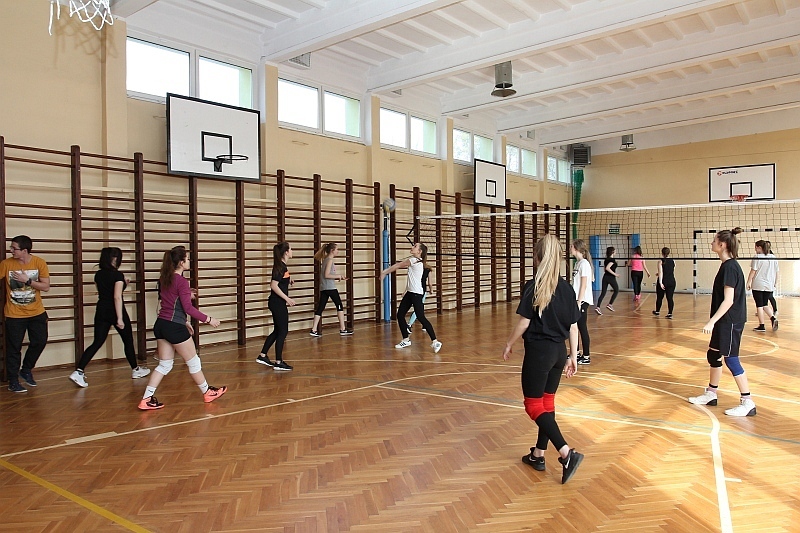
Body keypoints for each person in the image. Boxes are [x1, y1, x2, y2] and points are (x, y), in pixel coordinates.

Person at [502, 234, 584, 484]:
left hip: (539, 353)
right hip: (559, 352)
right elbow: (573, 326)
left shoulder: (534, 285)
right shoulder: (567, 288)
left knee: (533, 405)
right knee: (547, 404)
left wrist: (509, 343)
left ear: (537, 258)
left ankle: (566, 453)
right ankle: (538, 454)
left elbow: (524, 322)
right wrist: (572, 356)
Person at [138, 246, 225, 410]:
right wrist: (209, 319)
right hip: (173, 327)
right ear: (181, 262)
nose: (189, 261)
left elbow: (170, 302)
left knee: (164, 365)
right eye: (187, 258)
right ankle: (208, 392)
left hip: (161, 324)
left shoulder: (164, 278)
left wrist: (184, 320)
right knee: (194, 362)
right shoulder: (182, 282)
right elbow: (188, 308)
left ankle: (146, 399)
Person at [688, 227, 756, 417]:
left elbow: (729, 300)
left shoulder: (730, 268)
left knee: (731, 359)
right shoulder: (726, 265)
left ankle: (748, 402)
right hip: (725, 321)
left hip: (731, 321)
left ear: (722, 244)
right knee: (713, 355)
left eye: (714, 240)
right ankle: (711, 394)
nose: (711, 243)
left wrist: (711, 322)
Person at [70, 247, 150, 387]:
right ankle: (135, 369)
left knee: (97, 342)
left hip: (101, 310)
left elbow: (106, 291)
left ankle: (79, 371)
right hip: (115, 310)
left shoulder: (98, 275)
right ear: (114, 259)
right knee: (128, 340)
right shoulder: (117, 275)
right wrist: (119, 318)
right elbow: (116, 297)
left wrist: (124, 284)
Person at [1, 235, 51, 393]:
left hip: (36, 312)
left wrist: (27, 280)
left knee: (40, 341)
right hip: (14, 314)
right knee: (13, 348)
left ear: (24, 250)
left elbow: (46, 287)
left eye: (14, 248)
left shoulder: (39, 262)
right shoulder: (6, 264)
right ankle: (13, 381)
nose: (11, 250)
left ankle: (26, 369)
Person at [379, 242, 442, 353]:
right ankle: (406, 339)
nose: (412, 247)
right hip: (410, 293)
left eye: (415, 246)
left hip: (416, 294)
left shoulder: (414, 260)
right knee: (400, 315)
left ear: (419, 251)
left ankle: (435, 341)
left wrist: (385, 272)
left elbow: (398, 265)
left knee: (421, 317)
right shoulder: (417, 261)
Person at [256, 242, 295, 371]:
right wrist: (287, 298)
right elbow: (273, 285)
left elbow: (281, 278)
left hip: (276, 303)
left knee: (278, 330)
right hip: (277, 303)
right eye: (290, 249)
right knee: (283, 331)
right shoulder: (281, 267)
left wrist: (289, 280)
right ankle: (278, 362)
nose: (292, 251)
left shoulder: (282, 266)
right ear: (286, 252)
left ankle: (262, 355)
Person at [310, 243, 352, 337]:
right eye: (337, 249)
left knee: (320, 308)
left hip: (324, 287)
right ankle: (343, 329)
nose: (338, 251)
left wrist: (337, 277)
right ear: (332, 250)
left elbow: (327, 275)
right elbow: (326, 275)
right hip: (330, 288)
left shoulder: (325, 260)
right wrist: (338, 276)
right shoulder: (329, 261)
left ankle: (314, 329)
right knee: (339, 305)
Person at [747, 240, 778, 332]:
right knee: (764, 304)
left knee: (759, 305)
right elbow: (777, 272)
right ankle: (773, 318)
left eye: (756, 247)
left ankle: (762, 326)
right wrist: (775, 283)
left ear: (759, 247)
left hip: (758, 284)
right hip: (769, 285)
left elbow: (753, 271)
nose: (755, 250)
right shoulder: (773, 257)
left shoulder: (757, 257)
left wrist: (748, 282)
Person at [570, 239, 592, 365]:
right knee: (574, 327)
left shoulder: (584, 264)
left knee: (582, 327)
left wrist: (579, 301)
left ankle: (586, 356)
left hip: (582, 300)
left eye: (571, 246)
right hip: (576, 300)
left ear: (576, 248)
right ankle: (576, 353)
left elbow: (583, 285)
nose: (570, 248)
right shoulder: (578, 263)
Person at [407, 265, 433, 333]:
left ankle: (424, 325)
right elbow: (430, 283)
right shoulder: (428, 270)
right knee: (418, 309)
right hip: (422, 291)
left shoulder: (416, 268)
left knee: (421, 307)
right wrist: (431, 289)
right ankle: (409, 324)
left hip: (414, 290)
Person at [595, 246, 619, 315]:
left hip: (605, 277)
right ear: (612, 252)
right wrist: (615, 274)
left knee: (603, 293)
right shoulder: (612, 260)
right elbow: (607, 268)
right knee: (616, 290)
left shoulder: (606, 259)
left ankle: (598, 307)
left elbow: (604, 269)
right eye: (615, 250)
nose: (616, 252)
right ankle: (610, 304)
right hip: (611, 277)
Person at [653, 247, 676, 319]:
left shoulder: (660, 261)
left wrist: (660, 283)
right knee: (670, 298)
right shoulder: (673, 261)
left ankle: (657, 311)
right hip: (671, 281)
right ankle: (670, 313)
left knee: (659, 297)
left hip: (663, 281)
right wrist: (660, 274)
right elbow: (669, 270)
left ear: (662, 253)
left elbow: (661, 272)